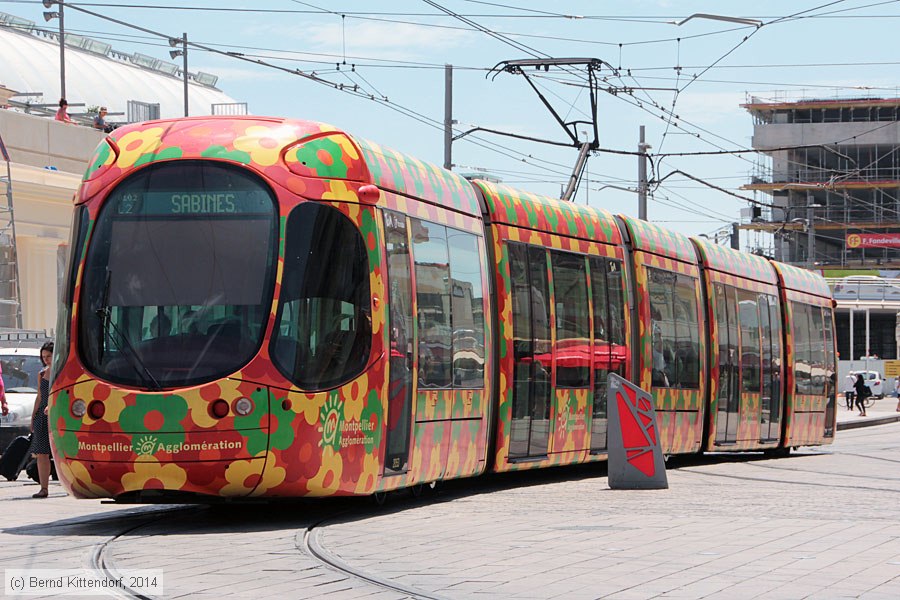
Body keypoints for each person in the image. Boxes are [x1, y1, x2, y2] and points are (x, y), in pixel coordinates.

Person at [29, 341, 54, 498]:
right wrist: (33, 416)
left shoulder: (62, 372)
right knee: (41, 453)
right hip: (42, 415)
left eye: (49, 356)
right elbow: (39, 396)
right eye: (44, 357)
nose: (46, 360)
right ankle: (44, 488)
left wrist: (52, 405)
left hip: (57, 413)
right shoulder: (41, 374)